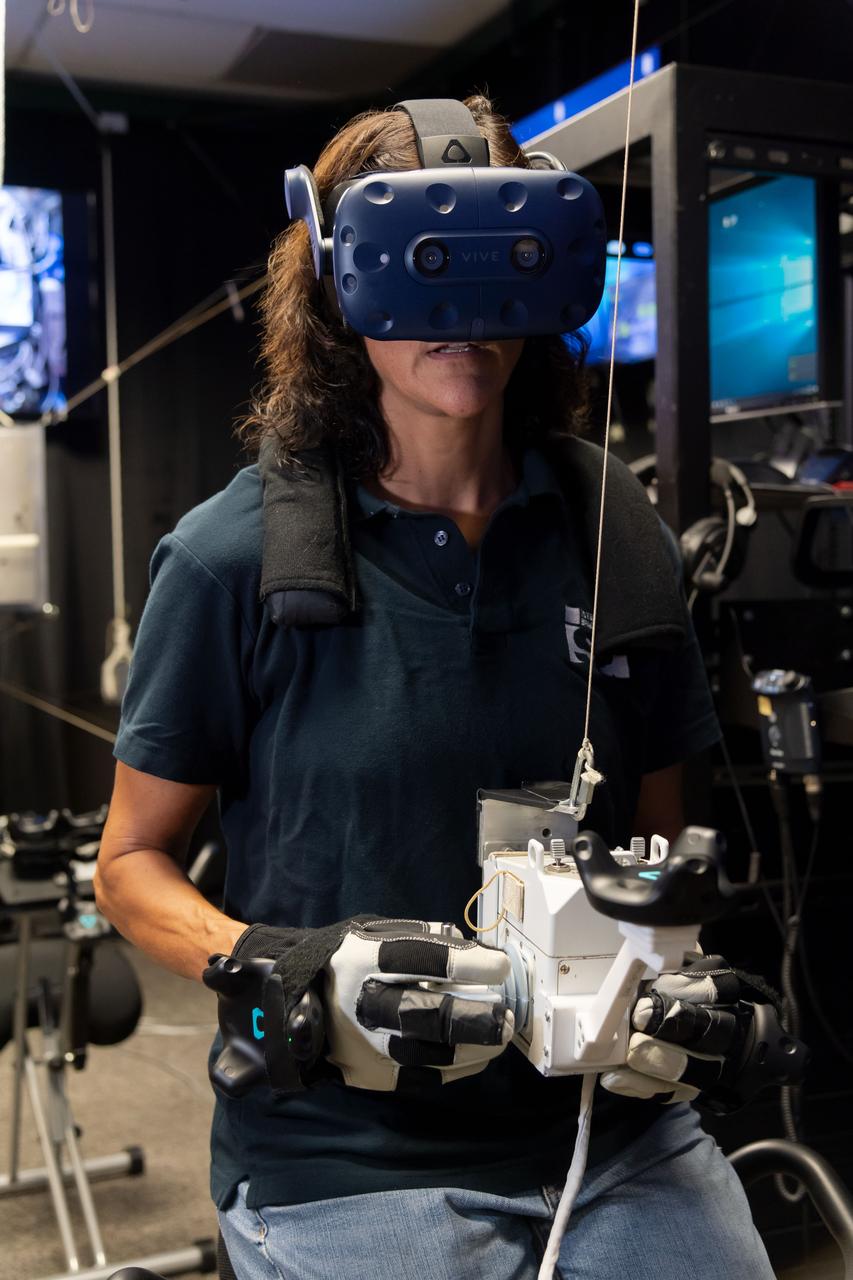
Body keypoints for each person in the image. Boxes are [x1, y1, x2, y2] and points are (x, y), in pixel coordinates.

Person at [95, 96, 775, 1279]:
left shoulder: (620, 538)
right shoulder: (231, 559)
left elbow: (662, 847)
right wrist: (277, 967)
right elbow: (128, 864)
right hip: (348, 1152)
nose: (460, 317)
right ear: (336, 280)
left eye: (499, 265)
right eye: (420, 266)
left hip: (606, 1134)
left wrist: (672, 972)